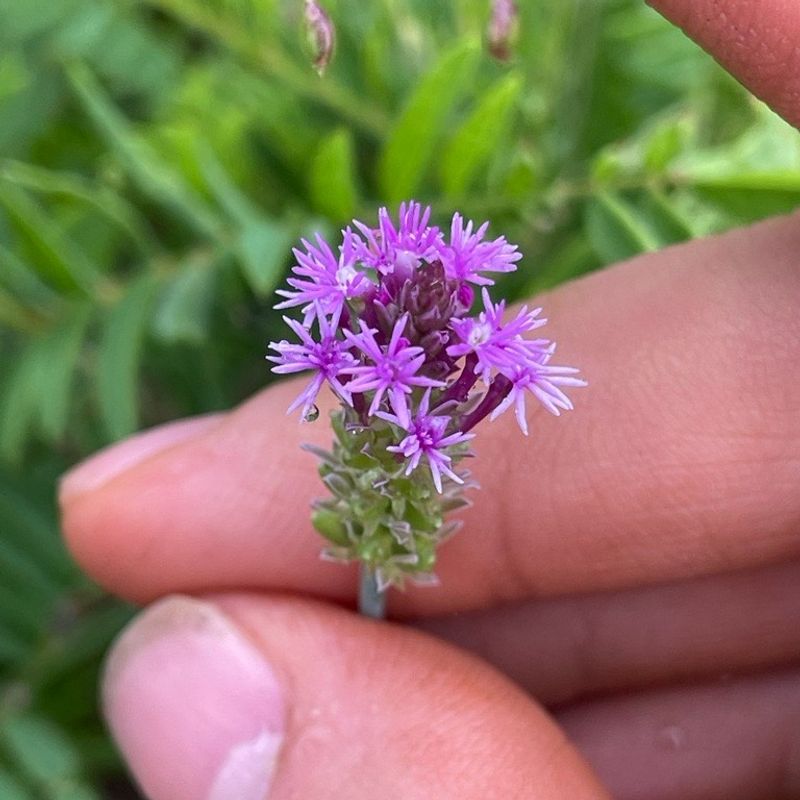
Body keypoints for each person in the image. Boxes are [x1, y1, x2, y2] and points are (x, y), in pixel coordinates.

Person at [59, 2, 800, 798]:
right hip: (388, 453)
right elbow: (375, 383)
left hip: (412, 460)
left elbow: (424, 407)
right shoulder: (365, 343)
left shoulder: (457, 374)